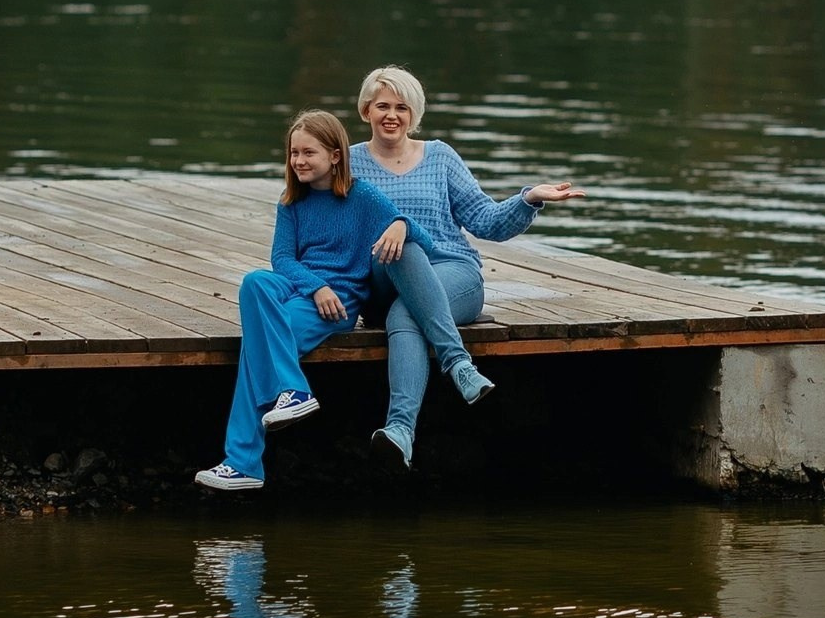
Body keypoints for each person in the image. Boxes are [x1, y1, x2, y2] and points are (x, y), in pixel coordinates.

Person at [197, 109, 465, 492]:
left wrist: (400, 224)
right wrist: (315, 286)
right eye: (294, 154)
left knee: (255, 349)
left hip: (336, 304)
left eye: (309, 153)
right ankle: (294, 391)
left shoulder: (362, 196)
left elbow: (425, 239)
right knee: (256, 281)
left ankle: (243, 462)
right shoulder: (291, 202)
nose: (299, 161)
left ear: (335, 155)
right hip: (306, 291)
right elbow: (283, 260)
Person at [348, 65, 585, 469]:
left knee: (408, 311)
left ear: (414, 114)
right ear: (366, 110)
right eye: (383, 105)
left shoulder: (439, 156)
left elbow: (485, 220)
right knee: (403, 244)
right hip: (383, 276)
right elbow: (332, 231)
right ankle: (458, 363)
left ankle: (400, 431)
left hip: (452, 273)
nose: (392, 115)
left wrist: (528, 198)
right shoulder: (349, 163)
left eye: (402, 107)